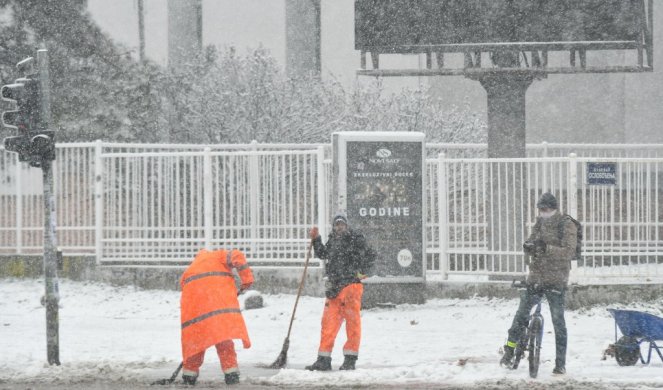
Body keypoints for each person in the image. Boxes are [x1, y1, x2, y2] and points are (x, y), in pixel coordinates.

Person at [500, 192, 578, 375]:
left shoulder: (566, 224)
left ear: (554, 208)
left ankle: (560, 363)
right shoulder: (540, 223)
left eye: (546, 209)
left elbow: (569, 252)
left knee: (558, 321)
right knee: (521, 315)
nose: (543, 212)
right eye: (540, 209)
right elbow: (532, 240)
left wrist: (547, 249)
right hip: (536, 277)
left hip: (556, 279)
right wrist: (528, 246)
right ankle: (509, 350)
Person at [305, 211, 376, 371]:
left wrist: (361, 272)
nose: (339, 227)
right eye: (337, 224)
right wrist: (316, 239)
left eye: (342, 224)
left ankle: (350, 360)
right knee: (328, 323)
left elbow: (371, 255)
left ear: (346, 225)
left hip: (350, 287)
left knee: (352, 325)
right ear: (334, 226)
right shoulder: (333, 239)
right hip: (335, 288)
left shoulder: (355, 239)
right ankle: (324, 359)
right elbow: (323, 254)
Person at [180, 248, 254, 385]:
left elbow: (183, 286)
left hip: (195, 309)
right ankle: (231, 374)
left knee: (196, 341)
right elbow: (237, 255)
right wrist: (247, 280)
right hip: (217, 305)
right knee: (222, 338)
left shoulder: (192, 268)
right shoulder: (219, 255)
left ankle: (189, 376)